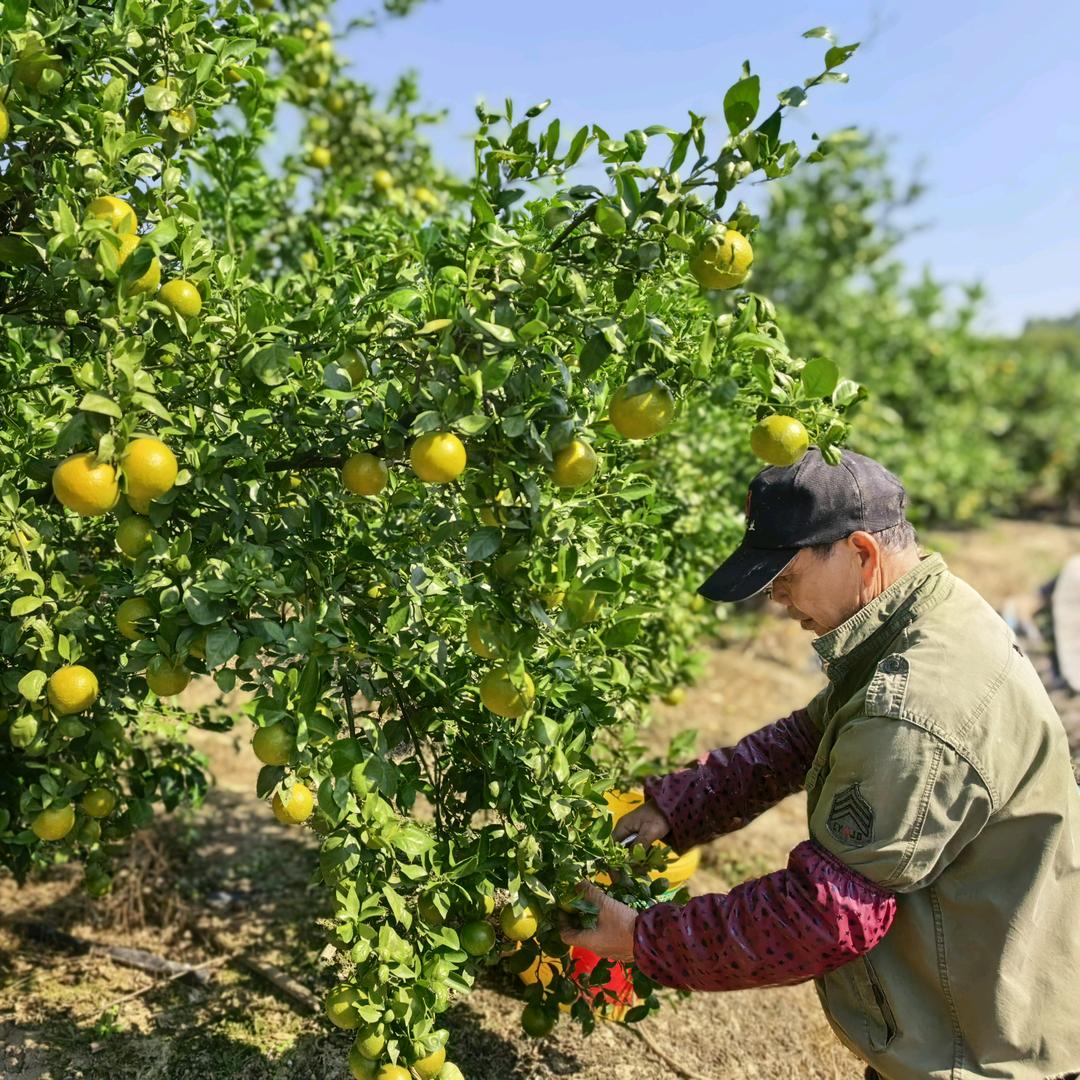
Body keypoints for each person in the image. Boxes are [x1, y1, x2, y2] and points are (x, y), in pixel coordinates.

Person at [560, 447, 1080, 1080]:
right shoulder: (921, 615)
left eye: (785, 577)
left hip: (978, 1052)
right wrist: (675, 806)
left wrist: (642, 939)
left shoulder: (917, 708)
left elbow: (823, 916)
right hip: (968, 1006)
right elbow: (801, 740)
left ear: (860, 553)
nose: (777, 599)